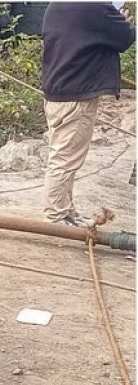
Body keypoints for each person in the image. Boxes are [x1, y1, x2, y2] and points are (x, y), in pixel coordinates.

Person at [41, 2, 135, 226]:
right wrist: (124, 22)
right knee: (64, 159)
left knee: (64, 156)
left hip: (57, 90)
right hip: (77, 94)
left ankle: (65, 210)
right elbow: (125, 38)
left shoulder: (55, 5)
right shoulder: (96, 8)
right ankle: (55, 216)